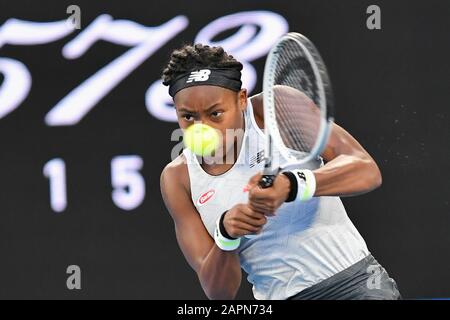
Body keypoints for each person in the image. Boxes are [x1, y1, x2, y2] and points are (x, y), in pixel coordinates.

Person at [159, 43, 401, 300]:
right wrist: (226, 234)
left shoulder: (276, 109)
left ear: (241, 99)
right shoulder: (177, 179)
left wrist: (293, 184)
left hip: (355, 286)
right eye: (187, 117)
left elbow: (365, 169)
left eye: (215, 113)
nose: (202, 128)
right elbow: (219, 293)